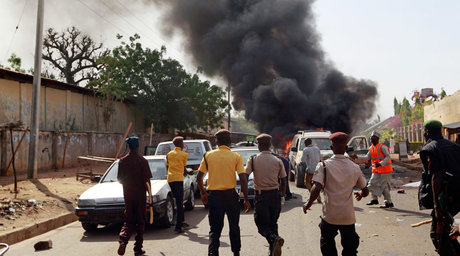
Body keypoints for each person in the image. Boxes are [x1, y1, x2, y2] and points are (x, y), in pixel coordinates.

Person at [303, 132, 369, 256]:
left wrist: (308, 203)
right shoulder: (354, 167)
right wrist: (361, 194)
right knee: (350, 248)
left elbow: (316, 188)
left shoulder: (323, 166)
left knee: (327, 244)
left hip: (330, 216)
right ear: (345, 148)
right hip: (347, 217)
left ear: (331, 148)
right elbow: (365, 190)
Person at [196, 129, 251, 256]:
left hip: (214, 197)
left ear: (217, 141)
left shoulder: (208, 155)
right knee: (234, 227)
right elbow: (243, 179)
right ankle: (236, 253)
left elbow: (198, 177)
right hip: (231, 196)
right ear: (230, 141)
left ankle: (213, 254)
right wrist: (246, 199)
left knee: (214, 230)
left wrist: (203, 193)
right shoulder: (236, 156)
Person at [418, 120, 460, 255]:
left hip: (444, 199)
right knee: (446, 233)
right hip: (456, 196)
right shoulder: (454, 146)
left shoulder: (429, 149)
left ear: (427, 132)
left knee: (438, 236)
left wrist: (437, 208)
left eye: (424, 131)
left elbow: (436, 177)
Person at [246, 134, 287, 256]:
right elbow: (284, 180)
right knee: (273, 224)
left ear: (259, 145)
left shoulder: (253, 159)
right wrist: (282, 196)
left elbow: (245, 176)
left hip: (261, 197)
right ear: (269, 145)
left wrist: (245, 195)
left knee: (261, 225)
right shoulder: (278, 160)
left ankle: (274, 239)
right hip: (275, 196)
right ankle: (273, 249)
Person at [117, 137, 152, 256]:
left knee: (129, 219)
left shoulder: (122, 161)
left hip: (128, 195)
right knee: (141, 221)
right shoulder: (142, 161)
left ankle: (123, 240)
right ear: (137, 147)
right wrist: (150, 197)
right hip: (140, 195)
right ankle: (138, 248)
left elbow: (119, 179)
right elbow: (147, 181)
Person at [351, 130, 394, 208]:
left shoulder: (382, 147)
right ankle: (374, 199)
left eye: (373, 138)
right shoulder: (371, 148)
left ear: (377, 138)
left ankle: (388, 202)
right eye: (370, 138)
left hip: (385, 170)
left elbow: (388, 156)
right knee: (371, 184)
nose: (371, 139)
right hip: (376, 170)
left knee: (384, 187)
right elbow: (367, 157)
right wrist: (357, 157)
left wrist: (381, 163)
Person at [166, 136, 194, 233]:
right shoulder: (184, 155)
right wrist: (189, 172)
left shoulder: (169, 154)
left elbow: (167, 167)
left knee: (177, 201)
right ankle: (178, 226)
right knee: (179, 202)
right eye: (182, 143)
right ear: (180, 144)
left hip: (170, 179)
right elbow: (184, 170)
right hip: (178, 179)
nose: (183, 144)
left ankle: (181, 221)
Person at [301, 138, 322, 203]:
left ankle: (313, 195)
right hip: (318, 169)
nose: (304, 144)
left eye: (305, 143)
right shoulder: (317, 148)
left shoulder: (306, 149)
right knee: (316, 184)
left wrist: (300, 163)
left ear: (307, 143)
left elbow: (303, 160)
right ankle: (318, 198)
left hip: (310, 169)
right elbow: (320, 158)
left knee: (307, 182)